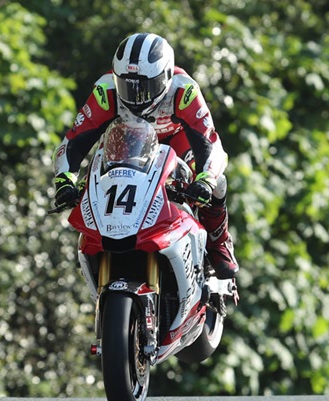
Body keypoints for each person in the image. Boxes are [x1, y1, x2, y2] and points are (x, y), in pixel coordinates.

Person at [53, 32, 238, 280]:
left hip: (177, 142)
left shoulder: (185, 90)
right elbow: (75, 139)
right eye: (127, 86)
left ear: (167, 76)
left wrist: (205, 178)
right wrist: (64, 178)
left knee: (217, 182)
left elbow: (209, 141)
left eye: (144, 86)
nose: (135, 96)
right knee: (94, 175)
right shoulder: (105, 90)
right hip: (128, 142)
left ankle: (219, 243)